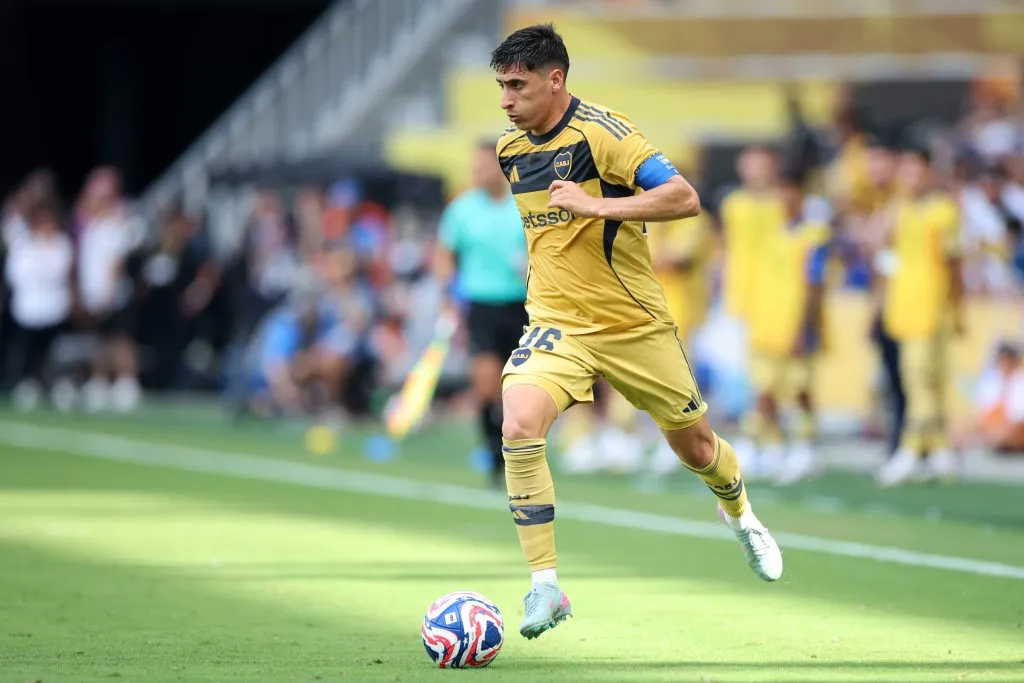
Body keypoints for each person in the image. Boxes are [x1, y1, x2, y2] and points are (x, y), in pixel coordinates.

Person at [489, 23, 783, 640]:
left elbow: (683, 198)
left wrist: (599, 206)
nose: (506, 100)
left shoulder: (606, 134)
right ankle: (545, 585)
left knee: (696, 448)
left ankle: (743, 517)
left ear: (555, 79)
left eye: (516, 85)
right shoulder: (510, 150)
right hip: (557, 323)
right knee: (517, 422)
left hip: (633, 324)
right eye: (500, 87)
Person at [434, 140, 528, 488]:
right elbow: (445, 255)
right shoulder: (462, 209)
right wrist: (448, 293)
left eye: (483, 164)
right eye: (474, 165)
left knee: (520, 389)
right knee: (487, 385)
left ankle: (522, 455)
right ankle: (494, 456)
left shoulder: (523, 204)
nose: (476, 171)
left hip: (522, 305)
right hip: (482, 306)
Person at [875, 145, 964, 486]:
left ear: (929, 172)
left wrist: (957, 307)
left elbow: (954, 264)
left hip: (932, 306)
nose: (909, 178)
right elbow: (884, 254)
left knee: (921, 380)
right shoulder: (899, 211)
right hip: (903, 307)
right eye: (905, 171)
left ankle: (911, 450)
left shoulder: (943, 211)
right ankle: (939, 452)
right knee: (919, 380)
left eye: (915, 171)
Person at [742, 173, 830, 484]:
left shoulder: (813, 237)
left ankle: (805, 447)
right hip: (767, 325)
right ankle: (771, 446)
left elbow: (814, 285)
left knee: (800, 390)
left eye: (790, 193)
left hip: (796, 326)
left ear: (801, 196)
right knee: (764, 389)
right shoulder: (769, 236)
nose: (784, 201)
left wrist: (806, 326)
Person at [3, 203, 73, 408]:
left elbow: (59, 270)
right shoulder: (23, 243)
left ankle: (56, 383)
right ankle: (28, 382)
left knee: (53, 349)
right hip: (28, 307)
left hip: (53, 306)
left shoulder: (61, 243)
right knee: (27, 348)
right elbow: (16, 274)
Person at [952, 341, 1024, 454]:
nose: (1004, 364)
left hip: (1013, 430)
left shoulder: (1020, 381)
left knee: (1006, 434)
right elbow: (984, 417)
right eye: (1002, 360)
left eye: (1008, 360)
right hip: (994, 430)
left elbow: (1017, 421)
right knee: (956, 428)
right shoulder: (992, 382)